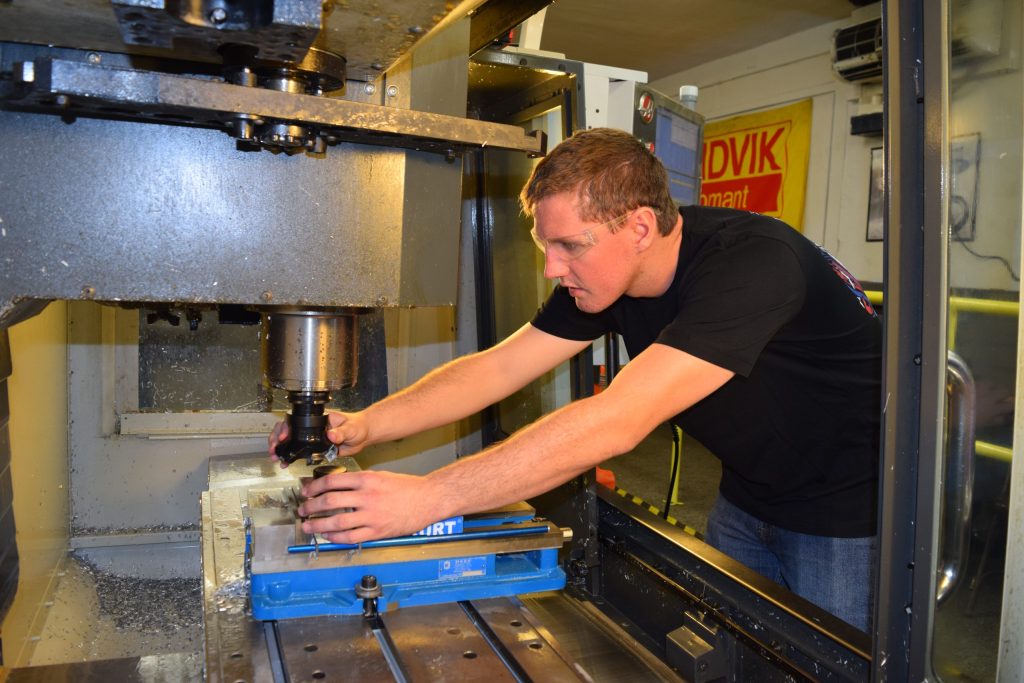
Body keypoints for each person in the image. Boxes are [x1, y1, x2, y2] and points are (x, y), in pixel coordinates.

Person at [269, 127, 882, 631]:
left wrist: (425, 499)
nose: (552, 269)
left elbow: (617, 420)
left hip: (845, 511)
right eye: (546, 246)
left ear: (639, 228)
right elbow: (500, 367)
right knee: (743, 650)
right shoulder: (608, 274)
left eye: (568, 246)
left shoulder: (753, 265)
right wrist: (367, 424)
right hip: (747, 494)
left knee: (832, 664)